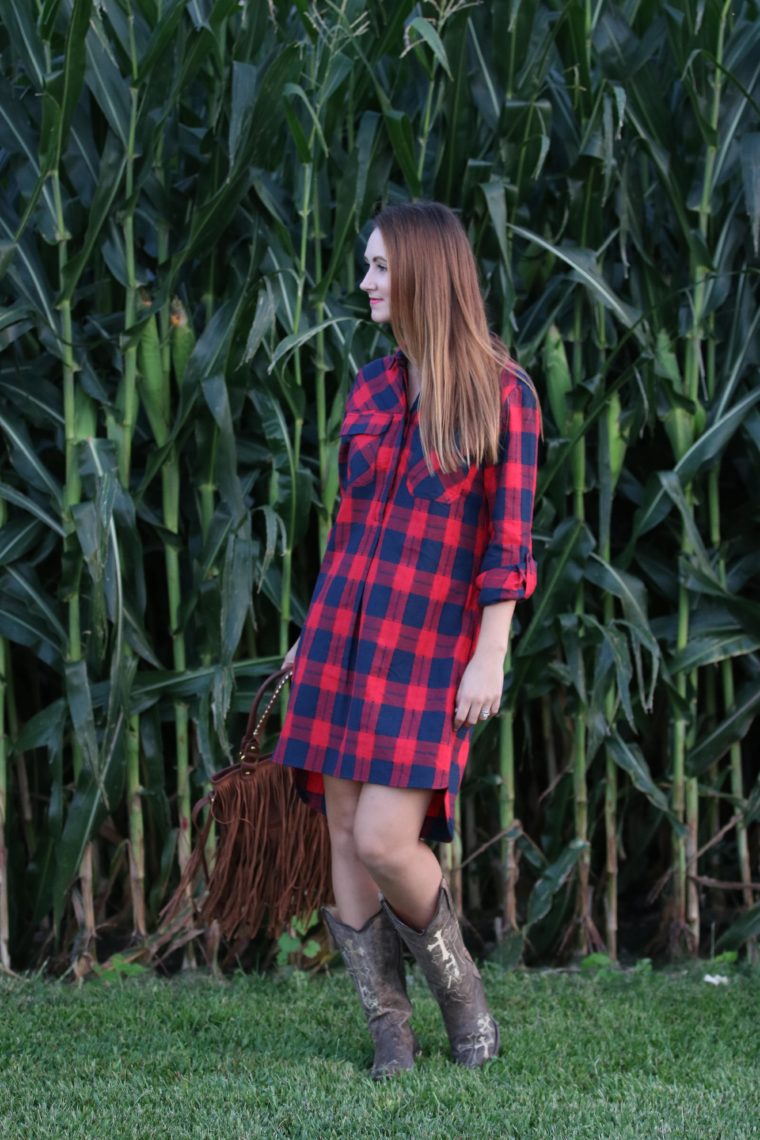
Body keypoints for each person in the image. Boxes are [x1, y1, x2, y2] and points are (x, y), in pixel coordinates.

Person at [270, 201, 540, 1078]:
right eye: (367, 265)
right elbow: (347, 530)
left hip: (428, 648)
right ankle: (390, 1027)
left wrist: (491, 649)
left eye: (381, 266)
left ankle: (465, 1003)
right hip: (345, 634)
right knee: (343, 831)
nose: (367, 283)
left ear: (426, 270)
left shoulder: (505, 392)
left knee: (388, 838)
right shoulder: (375, 387)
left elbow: (509, 541)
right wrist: (309, 640)